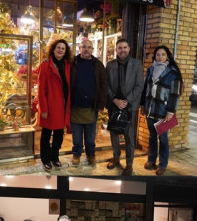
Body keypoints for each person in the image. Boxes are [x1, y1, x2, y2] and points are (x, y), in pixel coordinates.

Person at [140, 45, 183, 176]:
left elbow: (175, 94)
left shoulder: (173, 72)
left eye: (163, 54)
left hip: (163, 111)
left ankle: (163, 164)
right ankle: (151, 160)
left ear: (167, 56)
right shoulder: (150, 70)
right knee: (152, 136)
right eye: (158, 54)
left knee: (163, 139)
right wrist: (142, 105)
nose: (160, 57)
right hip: (149, 110)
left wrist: (171, 111)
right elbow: (144, 89)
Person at [105, 39, 144, 176]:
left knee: (129, 135)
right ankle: (116, 157)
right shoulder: (110, 65)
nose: (122, 50)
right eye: (119, 48)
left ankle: (129, 164)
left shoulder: (137, 64)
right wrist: (115, 100)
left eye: (124, 47)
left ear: (129, 48)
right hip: (114, 105)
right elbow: (106, 85)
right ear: (116, 50)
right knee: (114, 133)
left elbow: (140, 85)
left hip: (129, 106)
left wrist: (126, 100)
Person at [70, 38, 108, 167]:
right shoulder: (72, 62)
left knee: (90, 136)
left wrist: (101, 104)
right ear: (79, 49)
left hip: (92, 107)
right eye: (83, 47)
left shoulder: (98, 64)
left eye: (89, 47)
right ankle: (76, 154)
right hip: (75, 106)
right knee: (76, 136)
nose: (86, 49)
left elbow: (104, 85)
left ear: (92, 49)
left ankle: (91, 155)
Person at [37, 38, 72, 172]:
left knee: (59, 134)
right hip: (50, 106)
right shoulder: (45, 65)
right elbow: (41, 90)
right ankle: (45, 159)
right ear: (53, 49)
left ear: (65, 51)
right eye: (58, 47)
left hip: (63, 106)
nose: (60, 50)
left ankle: (54, 156)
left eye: (63, 48)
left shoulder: (68, 65)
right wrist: (43, 109)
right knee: (46, 134)